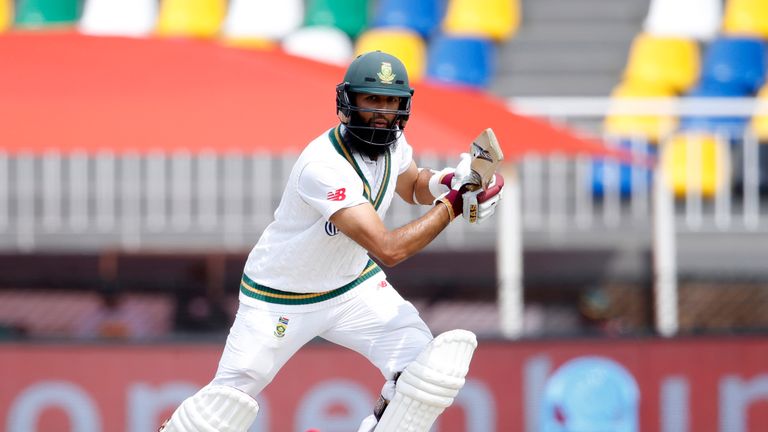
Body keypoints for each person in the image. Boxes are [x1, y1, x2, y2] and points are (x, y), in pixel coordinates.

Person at [159, 50, 505, 432]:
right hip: (279, 297)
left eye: (391, 101)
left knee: (423, 368)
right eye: (371, 99)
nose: (382, 112)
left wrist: (451, 181)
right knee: (223, 406)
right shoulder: (323, 165)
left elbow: (412, 185)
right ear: (348, 102)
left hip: (351, 285)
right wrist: (454, 205)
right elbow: (389, 248)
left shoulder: (393, 143)